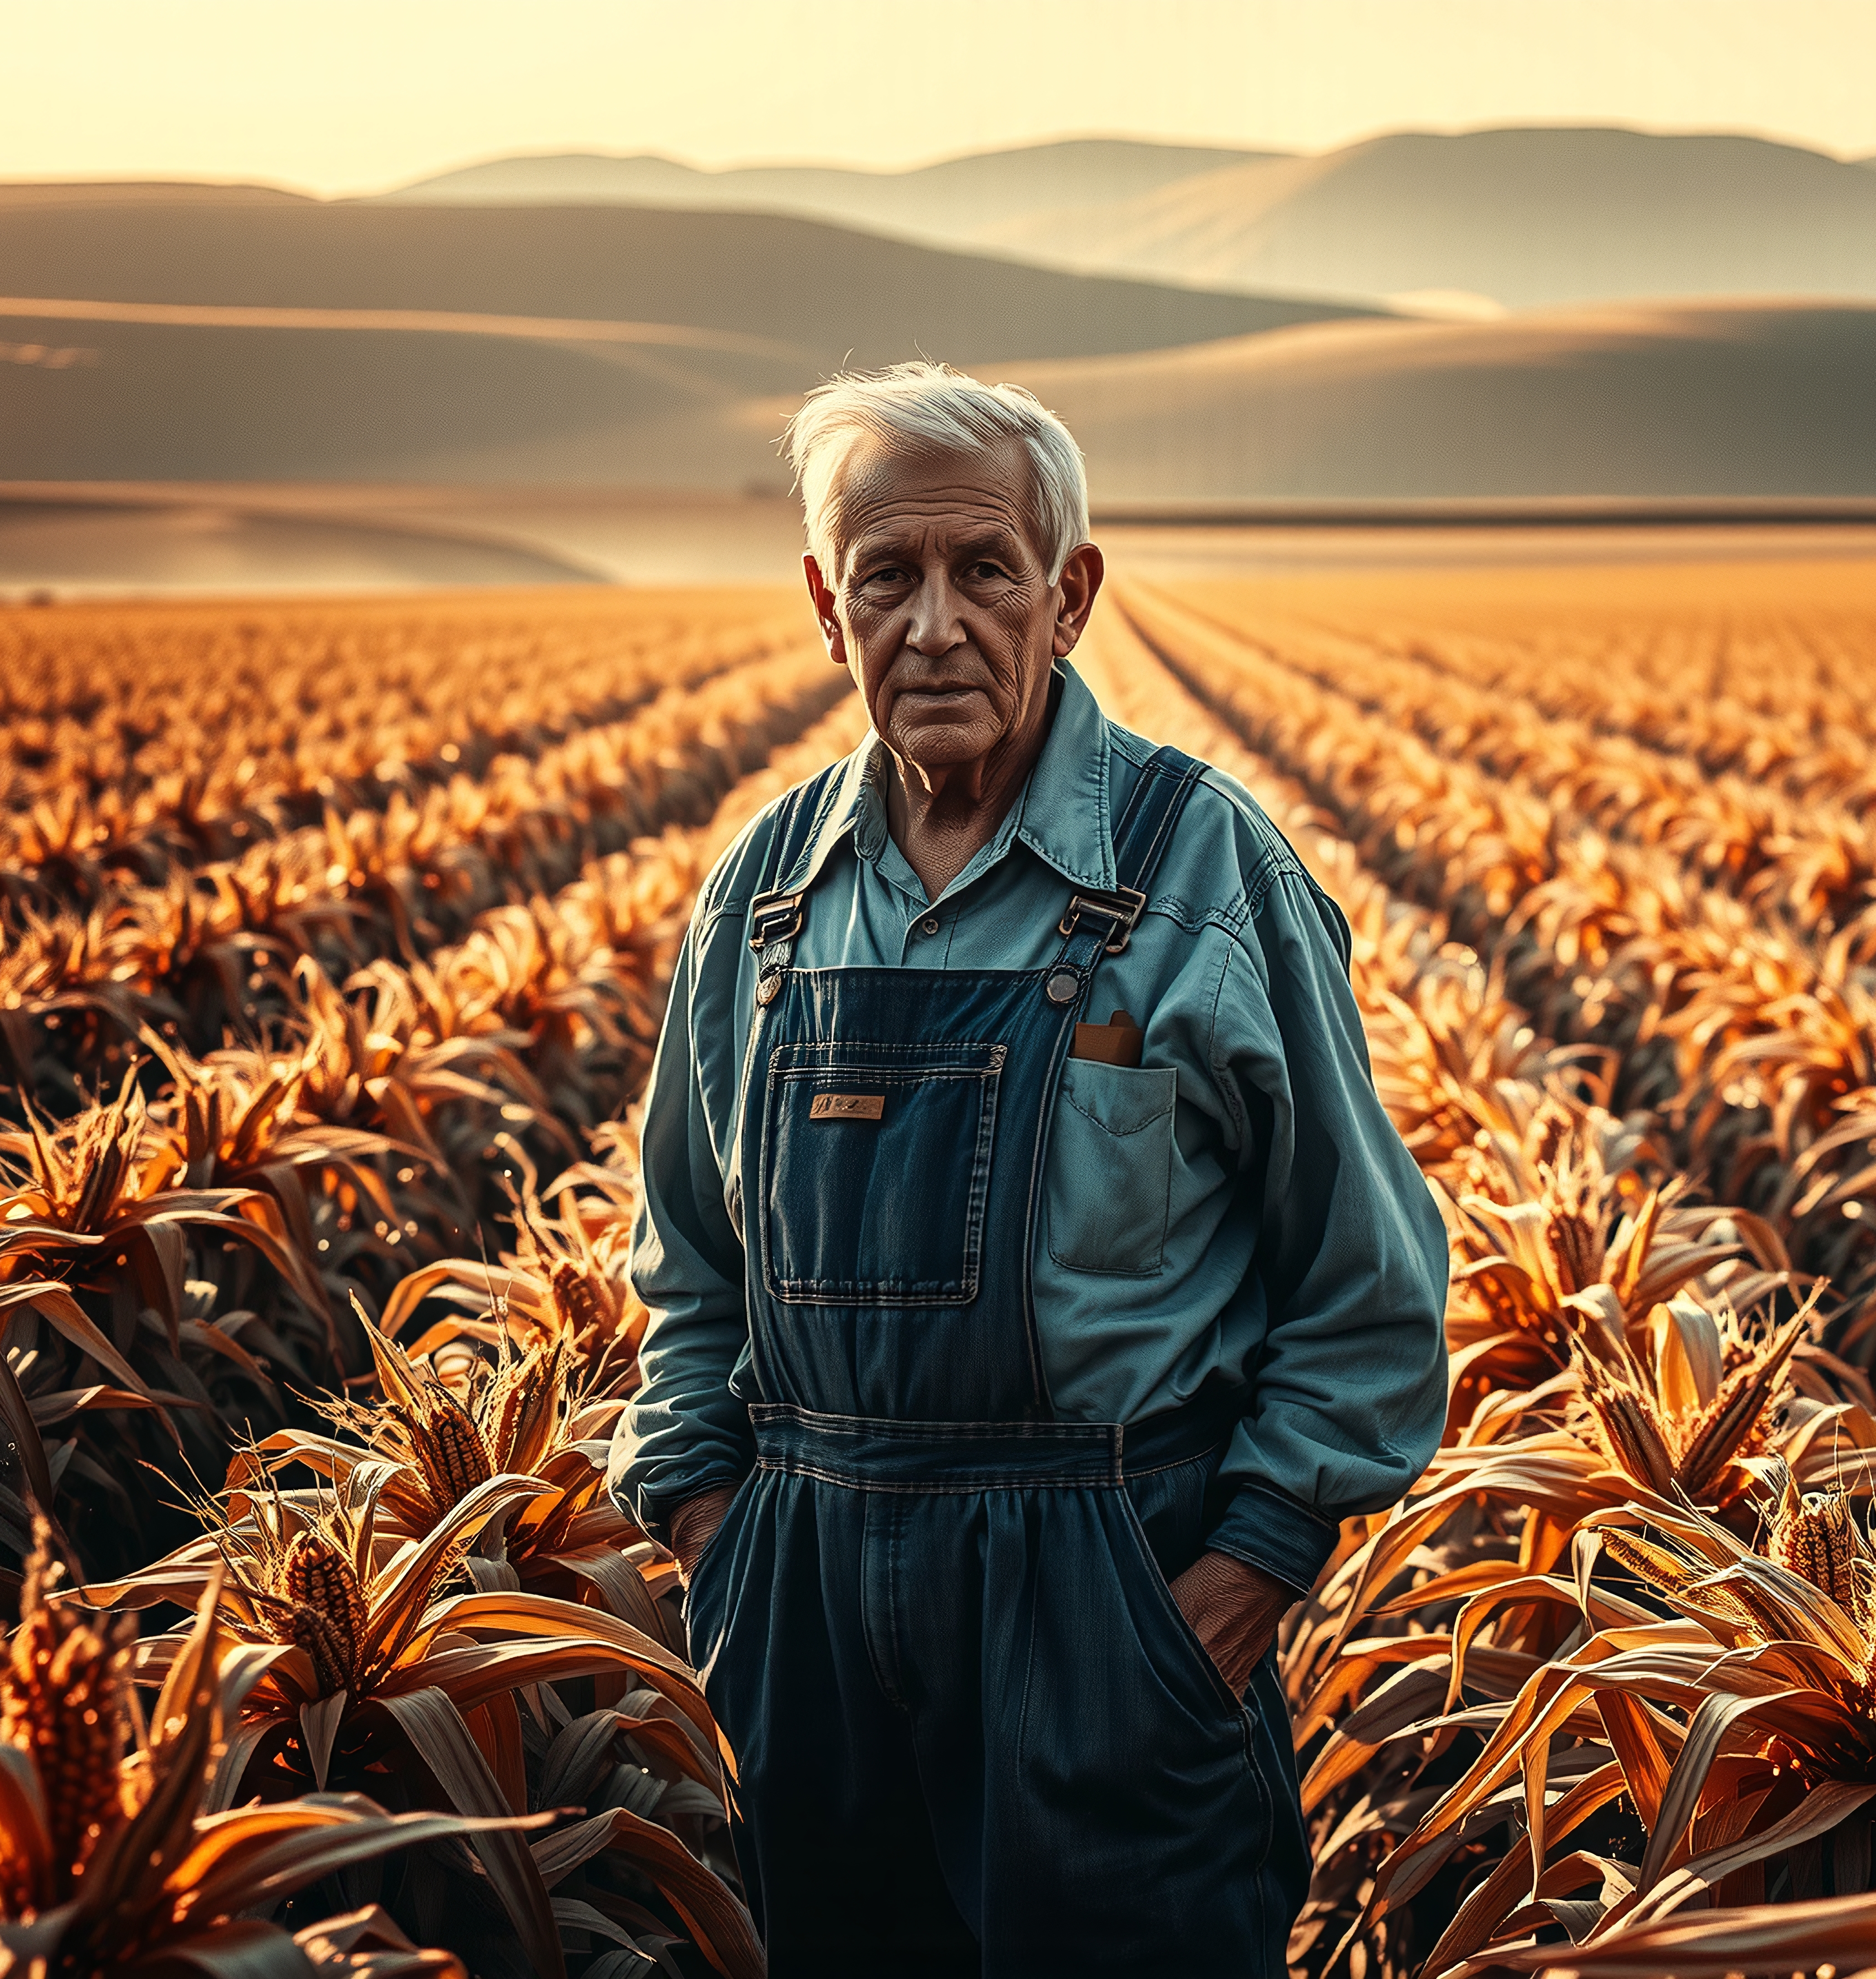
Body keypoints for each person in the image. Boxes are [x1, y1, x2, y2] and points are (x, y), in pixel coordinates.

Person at [610, 362, 1452, 1976]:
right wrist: (717, 1534)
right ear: (823, 605)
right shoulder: (764, 897)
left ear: (1069, 598)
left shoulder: (1206, 875)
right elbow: (688, 1272)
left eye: (982, 570)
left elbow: (1367, 1286)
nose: (933, 623)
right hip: (807, 1630)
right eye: (887, 577)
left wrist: (1230, 1588)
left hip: (1107, 1613)